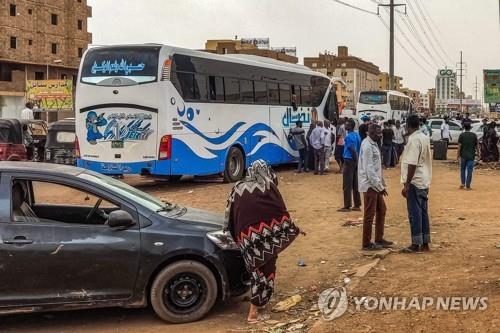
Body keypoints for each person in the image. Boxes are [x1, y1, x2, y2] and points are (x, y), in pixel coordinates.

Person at [224, 160, 301, 323]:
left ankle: (259, 302)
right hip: (265, 240)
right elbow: (279, 211)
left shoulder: (237, 188)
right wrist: (291, 227)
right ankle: (253, 312)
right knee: (266, 271)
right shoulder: (268, 187)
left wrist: (237, 236)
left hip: (245, 238)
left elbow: (229, 215)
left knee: (255, 272)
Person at [400, 115, 433, 253]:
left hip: (415, 180)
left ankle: (416, 244)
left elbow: (412, 164)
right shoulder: (424, 137)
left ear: (408, 125)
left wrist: (407, 185)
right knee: (423, 212)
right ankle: (425, 243)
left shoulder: (414, 140)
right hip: (424, 180)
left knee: (415, 213)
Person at [358, 124, 393, 251]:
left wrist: (381, 184)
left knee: (382, 209)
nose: (380, 135)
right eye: (378, 133)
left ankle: (379, 238)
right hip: (369, 185)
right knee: (369, 214)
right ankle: (366, 243)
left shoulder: (373, 143)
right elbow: (370, 170)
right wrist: (379, 186)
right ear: (371, 133)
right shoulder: (367, 146)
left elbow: (377, 168)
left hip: (375, 184)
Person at [339, 119, 362, 212]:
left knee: (347, 184)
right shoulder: (357, 135)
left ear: (351, 126)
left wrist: (356, 160)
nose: (345, 125)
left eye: (347, 124)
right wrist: (358, 161)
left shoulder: (348, 137)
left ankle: (347, 205)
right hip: (355, 160)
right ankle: (357, 204)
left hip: (349, 160)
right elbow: (358, 148)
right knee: (355, 183)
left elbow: (352, 149)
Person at [457, 122, 478, 190]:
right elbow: (477, 146)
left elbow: (459, 146)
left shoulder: (462, 135)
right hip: (471, 156)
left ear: (464, 128)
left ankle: (463, 183)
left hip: (463, 156)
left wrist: (458, 155)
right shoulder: (474, 135)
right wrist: (479, 153)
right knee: (469, 170)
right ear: (470, 128)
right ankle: (468, 185)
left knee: (462, 169)